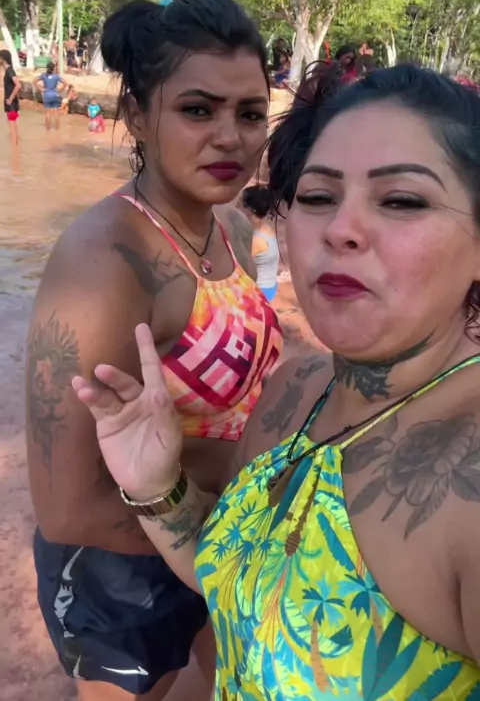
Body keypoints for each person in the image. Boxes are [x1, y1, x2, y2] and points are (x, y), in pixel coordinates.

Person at [73, 63, 480, 699]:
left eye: (401, 200)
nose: (339, 229)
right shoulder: (294, 390)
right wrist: (158, 489)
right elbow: (241, 582)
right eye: (317, 197)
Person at [26, 0, 283, 701]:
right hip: (121, 578)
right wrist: (223, 548)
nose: (230, 137)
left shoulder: (230, 230)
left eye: (250, 113)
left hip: (209, 549)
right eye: (198, 110)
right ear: (137, 114)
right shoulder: (104, 261)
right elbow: (66, 507)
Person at [242, 184, 280, 302]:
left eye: (240, 204)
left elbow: (237, 266)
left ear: (250, 210)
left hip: (260, 291)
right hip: (270, 285)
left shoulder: (256, 241)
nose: (236, 207)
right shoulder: (265, 227)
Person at [35, 62, 66, 130]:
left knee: (48, 113)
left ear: (47, 68)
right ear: (53, 68)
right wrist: (59, 90)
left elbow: (34, 81)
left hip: (47, 95)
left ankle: (48, 130)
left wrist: (41, 89)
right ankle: (57, 129)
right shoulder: (56, 76)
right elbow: (65, 83)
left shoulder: (44, 75)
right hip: (55, 95)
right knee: (56, 113)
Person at [0, 49, 21, 141]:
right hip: (12, 102)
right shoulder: (9, 70)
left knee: (12, 126)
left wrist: (11, 98)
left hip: (10, 102)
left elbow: (18, 85)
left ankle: (14, 147)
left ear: (2, 59)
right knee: (12, 125)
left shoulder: (9, 70)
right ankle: (16, 147)